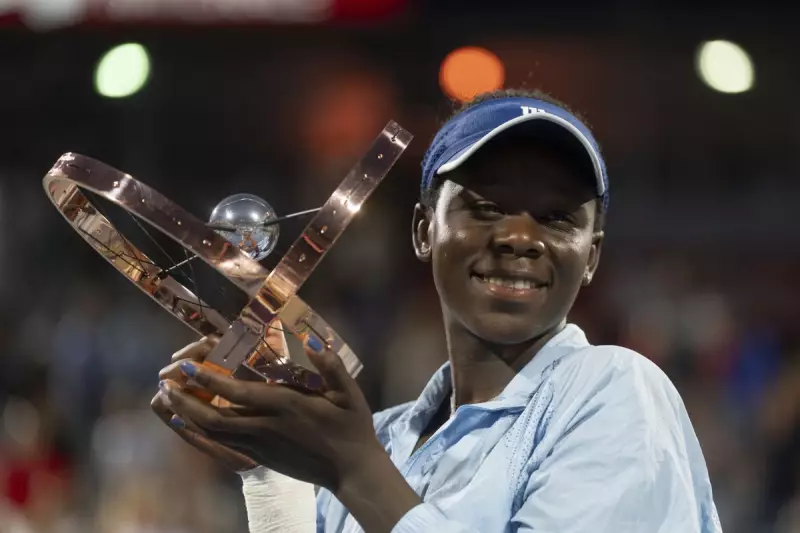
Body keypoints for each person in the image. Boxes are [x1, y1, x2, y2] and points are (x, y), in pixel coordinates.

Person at [151, 89, 722, 533]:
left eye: (556, 218)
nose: (520, 237)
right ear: (425, 231)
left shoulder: (615, 392)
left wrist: (354, 472)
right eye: (488, 207)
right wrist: (273, 478)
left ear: (591, 256)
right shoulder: (383, 437)